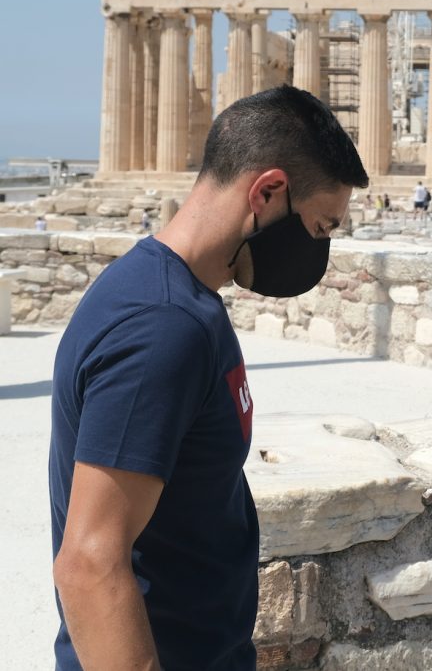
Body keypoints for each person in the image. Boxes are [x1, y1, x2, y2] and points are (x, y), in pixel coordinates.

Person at [49, 85, 369, 670]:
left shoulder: (178, 295)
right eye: (322, 227)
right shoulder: (162, 329)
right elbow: (90, 562)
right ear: (268, 191)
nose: (319, 249)